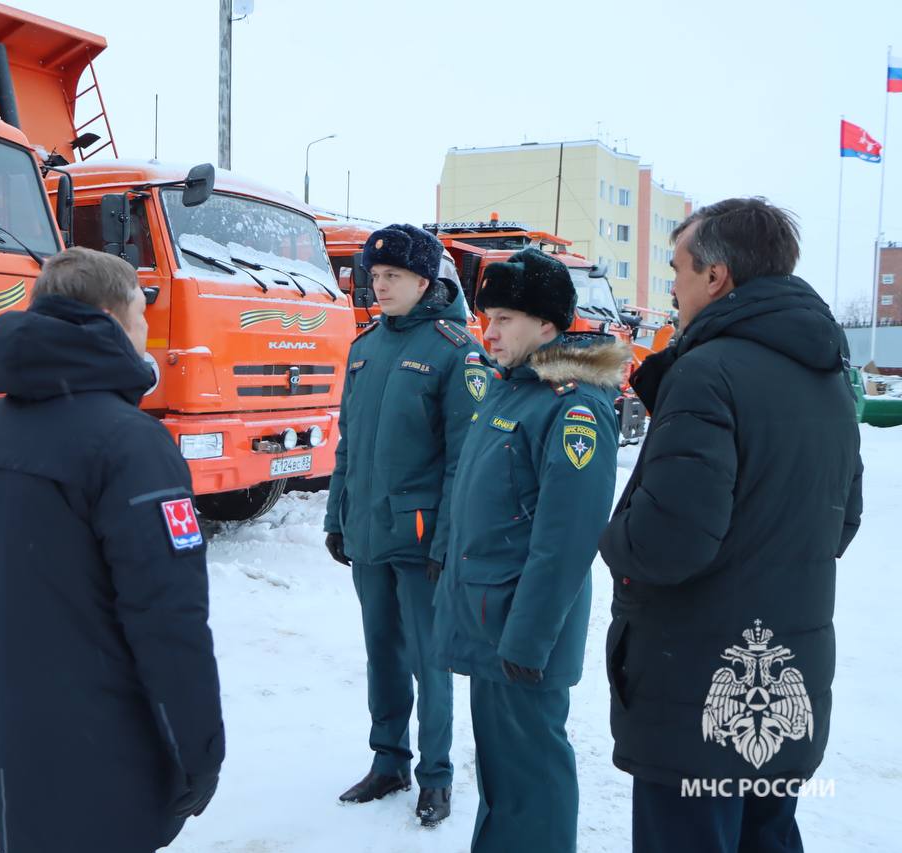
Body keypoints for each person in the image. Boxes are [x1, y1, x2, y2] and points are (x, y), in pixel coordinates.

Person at [599, 198, 864, 853]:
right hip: (785, 681)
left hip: (697, 693)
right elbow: (842, 522)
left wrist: (611, 536)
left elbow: (667, 542)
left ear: (716, 276)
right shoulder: (827, 375)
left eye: (677, 272)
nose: (673, 289)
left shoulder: (707, 370)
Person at [0, 247, 225, 853]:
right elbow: (168, 618)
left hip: (22, 740)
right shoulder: (131, 444)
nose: (145, 336)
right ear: (108, 317)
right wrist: (198, 751)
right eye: (140, 318)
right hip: (112, 751)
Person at [433, 247, 631, 852]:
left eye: (505, 320)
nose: (487, 330)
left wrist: (528, 639)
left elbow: (566, 541)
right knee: (503, 774)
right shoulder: (512, 388)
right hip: (492, 616)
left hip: (521, 631)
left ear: (547, 326)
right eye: (486, 316)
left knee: (531, 776)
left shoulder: (570, 406)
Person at [323, 223, 479, 827]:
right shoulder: (364, 346)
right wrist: (338, 514)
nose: (380, 286)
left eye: (393, 277)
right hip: (368, 534)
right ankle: (389, 761)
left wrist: (445, 542)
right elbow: (348, 442)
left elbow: (464, 462)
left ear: (425, 280)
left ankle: (435, 775)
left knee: (427, 659)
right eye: (375, 276)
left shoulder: (454, 350)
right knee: (380, 654)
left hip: (420, 542)